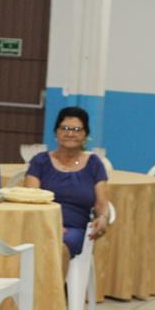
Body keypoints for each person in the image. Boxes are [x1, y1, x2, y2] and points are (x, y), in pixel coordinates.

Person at [24, 106, 110, 271]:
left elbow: (101, 203)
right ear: (56, 132)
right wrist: (53, 224)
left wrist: (103, 218)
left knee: (61, 247)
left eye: (77, 129)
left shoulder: (94, 164)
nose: (70, 133)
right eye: (65, 128)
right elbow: (30, 200)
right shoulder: (40, 161)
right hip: (42, 225)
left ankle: (52, 295)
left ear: (85, 135)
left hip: (75, 229)